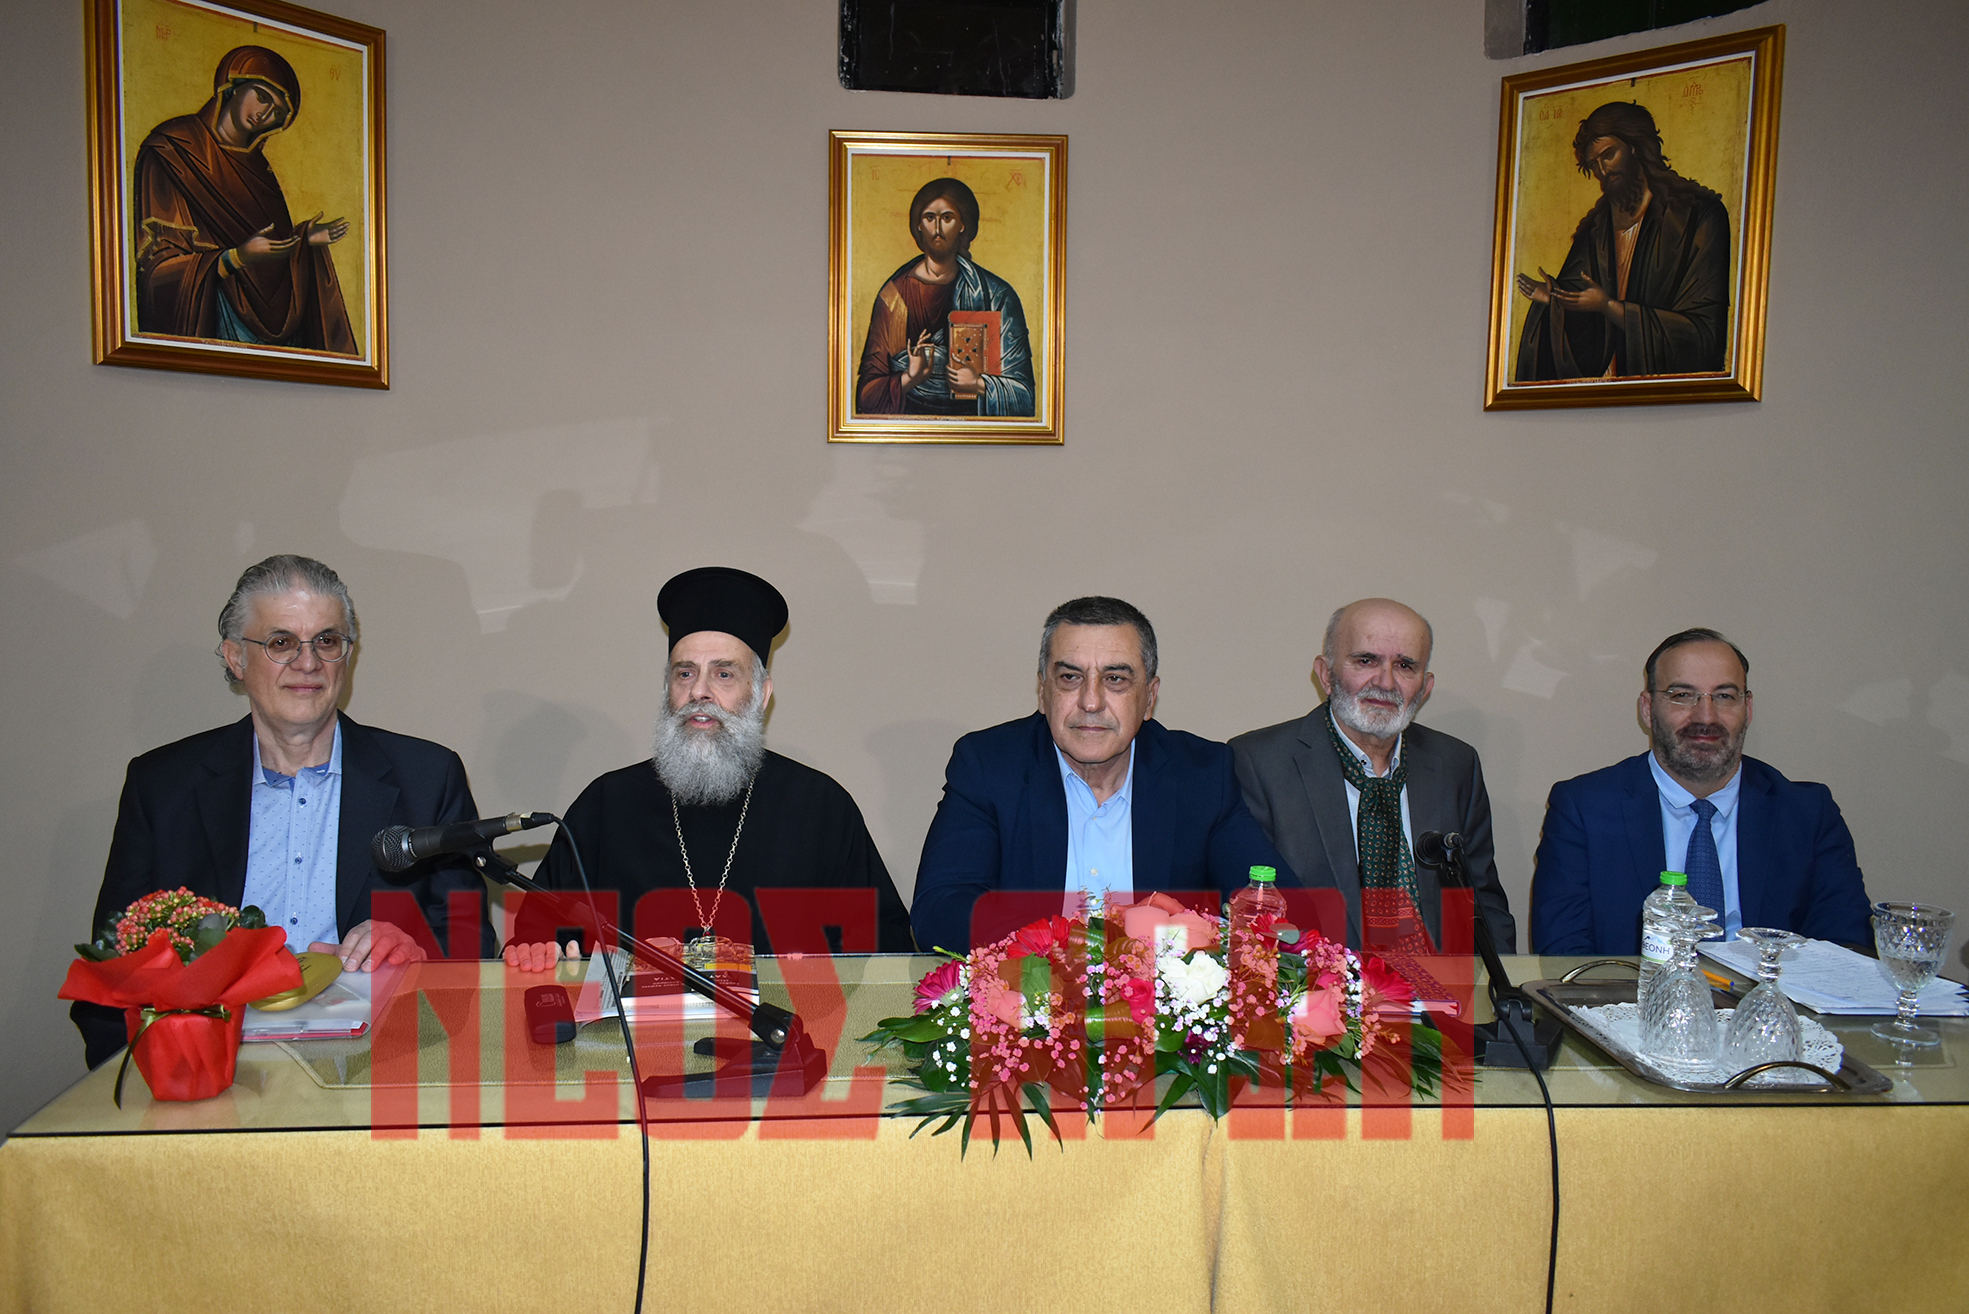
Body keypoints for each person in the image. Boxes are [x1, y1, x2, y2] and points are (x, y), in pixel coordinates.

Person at [74, 556, 489, 1068]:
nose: (307, 663)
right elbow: (114, 961)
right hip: (209, 1067)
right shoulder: (163, 786)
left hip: (377, 1062)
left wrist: (415, 948)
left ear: (347, 655)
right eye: (281, 642)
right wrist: (149, 1076)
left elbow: (470, 941)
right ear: (235, 658)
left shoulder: (426, 776)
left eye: (326, 641)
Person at [507, 567, 911, 968]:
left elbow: (883, 952)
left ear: (761, 694)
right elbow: (535, 939)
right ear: (668, 689)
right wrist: (537, 953)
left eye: (723, 674)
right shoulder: (607, 804)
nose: (699, 691)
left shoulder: (820, 807)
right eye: (685, 673)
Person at [911, 596, 1290, 952]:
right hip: (1027, 991)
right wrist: (1085, 941)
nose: (1090, 702)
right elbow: (940, 912)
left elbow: (1283, 913)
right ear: (1043, 691)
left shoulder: (1200, 774)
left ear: (1150, 697)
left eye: (1115, 679)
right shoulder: (989, 766)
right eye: (1070, 677)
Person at [1530, 628, 1872, 954]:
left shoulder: (1807, 814)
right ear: (1648, 709)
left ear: (1747, 709)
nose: (1706, 717)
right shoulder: (1583, 810)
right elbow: (1564, 957)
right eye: (1682, 696)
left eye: (1724, 696)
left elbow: (1844, 948)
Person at [1231, 599, 1516, 955]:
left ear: (1425, 687)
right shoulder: (1257, 762)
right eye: (1366, 661)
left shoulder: (1455, 764)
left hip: (1440, 981)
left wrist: (1499, 984)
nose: (1385, 682)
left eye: (1405, 665)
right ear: (1326, 674)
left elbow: (1483, 905)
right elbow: (1253, 916)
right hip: (1317, 983)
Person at [133, 45, 358, 353]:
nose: (265, 114)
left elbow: (270, 257)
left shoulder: (259, 170)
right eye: (262, 96)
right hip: (212, 319)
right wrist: (235, 258)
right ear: (232, 86)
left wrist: (303, 241)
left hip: (271, 336)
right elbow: (157, 265)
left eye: (277, 112)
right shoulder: (173, 150)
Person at [1513, 100, 1730, 382]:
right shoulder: (1597, 228)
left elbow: (1704, 335)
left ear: (1635, 146)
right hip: (1601, 390)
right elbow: (1582, 311)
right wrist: (1555, 299)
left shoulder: (1697, 217)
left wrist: (1610, 307)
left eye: (1609, 155)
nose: (1603, 171)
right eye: (1594, 164)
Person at [855, 177, 1035, 417]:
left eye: (947, 218)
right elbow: (866, 398)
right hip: (910, 430)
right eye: (929, 218)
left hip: (975, 431)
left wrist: (979, 384)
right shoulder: (894, 296)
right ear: (919, 225)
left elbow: (1025, 397)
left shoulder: (996, 295)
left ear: (963, 225)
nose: (937, 229)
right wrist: (909, 378)